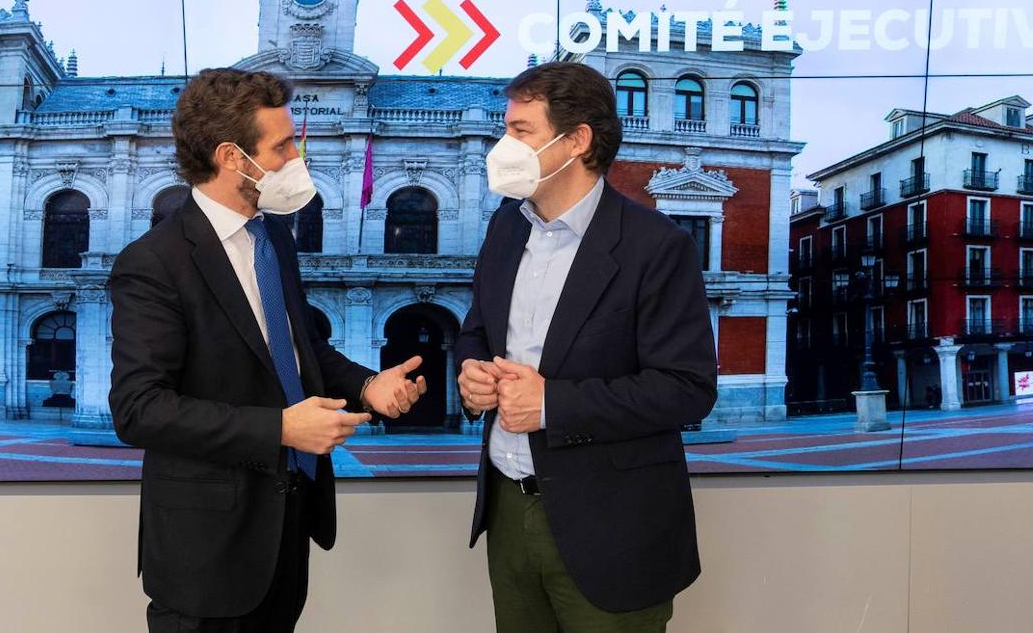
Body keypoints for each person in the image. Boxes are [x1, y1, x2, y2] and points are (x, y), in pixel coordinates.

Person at [108, 68, 427, 632]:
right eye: (282, 146)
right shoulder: (154, 263)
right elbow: (140, 410)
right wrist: (280, 429)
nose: (294, 161)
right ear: (233, 156)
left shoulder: (274, 235)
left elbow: (305, 348)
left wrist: (367, 385)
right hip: (206, 552)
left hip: (286, 526)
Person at [456, 61, 718, 632]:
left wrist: (551, 405)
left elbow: (687, 390)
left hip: (613, 531)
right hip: (506, 511)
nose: (503, 145)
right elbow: (476, 329)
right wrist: (471, 371)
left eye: (520, 132)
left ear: (577, 141)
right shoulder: (506, 226)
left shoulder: (657, 247)